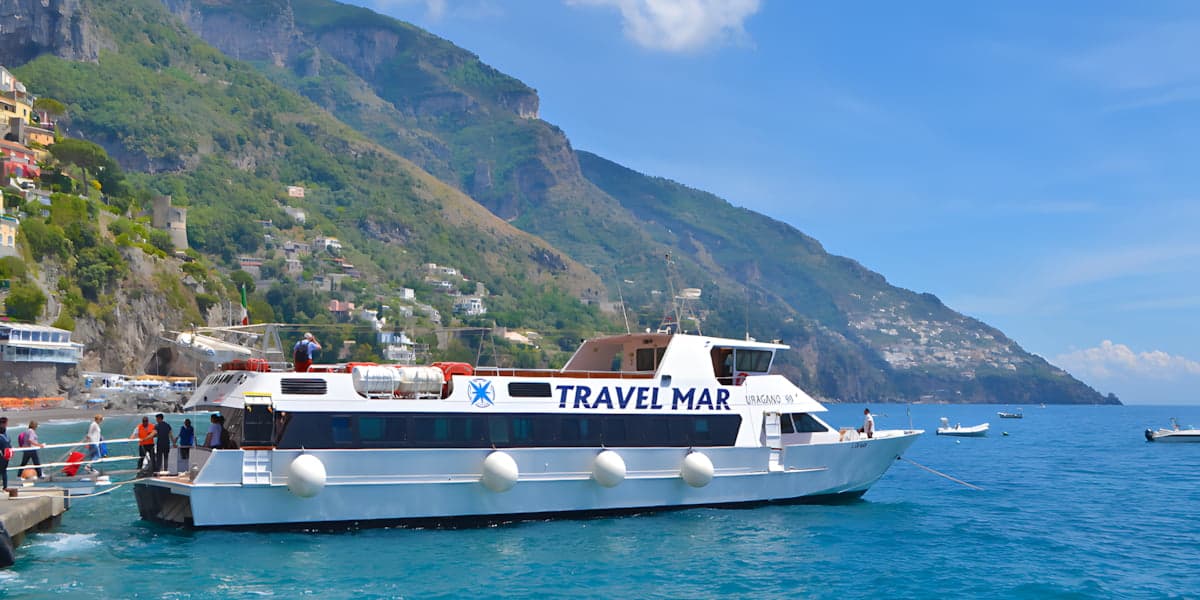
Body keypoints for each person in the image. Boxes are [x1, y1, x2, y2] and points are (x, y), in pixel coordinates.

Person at [0, 417, 11, 491]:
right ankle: (5, 486)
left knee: (3, 470)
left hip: (5, 454)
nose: (7, 424)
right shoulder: (3, 433)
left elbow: (7, 442)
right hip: (3, 454)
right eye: (6, 423)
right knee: (3, 470)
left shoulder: (4, 432)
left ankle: (5, 486)